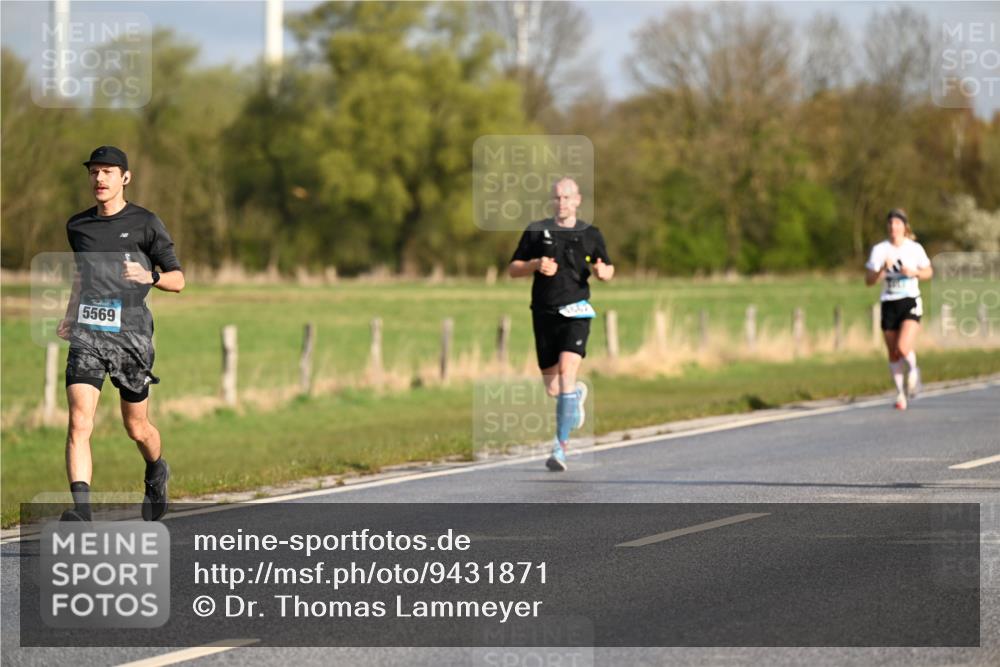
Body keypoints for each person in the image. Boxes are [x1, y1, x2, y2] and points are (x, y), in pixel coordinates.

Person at [57, 146, 185, 521]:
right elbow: (82, 275)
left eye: (107, 172)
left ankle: (156, 468)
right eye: (94, 172)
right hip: (89, 331)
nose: (99, 179)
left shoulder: (146, 223)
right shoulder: (77, 226)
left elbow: (179, 279)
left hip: (131, 334)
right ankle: (82, 511)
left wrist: (150, 277)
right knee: (80, 420)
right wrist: (70, 315)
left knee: (136, 426)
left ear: (124, 178)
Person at [508, 178, 614, 471]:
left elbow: (607, 266)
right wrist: (534, 265)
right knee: (554, 388)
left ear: (578, 200)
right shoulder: (536, 231)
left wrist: (603, 271)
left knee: (568, 371)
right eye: (557, 198)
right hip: (543, 312)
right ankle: (575, 395)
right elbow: (512, 268)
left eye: (567, 197)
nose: (562, 203)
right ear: (552, 201)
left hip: (577, 311)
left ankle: (560, 447)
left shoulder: (591, 234)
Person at [865, 208, 933, 411]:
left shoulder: (914, 248)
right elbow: (869, 281)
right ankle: (900, 394)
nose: (893, 227)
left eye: (897, 223)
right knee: (893, 353)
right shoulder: (879, 250)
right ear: (888, 227)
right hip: (889, 302)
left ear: (904, 226)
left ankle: (913, 370)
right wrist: (881, 270)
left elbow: (929, 271)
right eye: (890, 223)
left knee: (903, 348)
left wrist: (914, 272)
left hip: (910, 300)